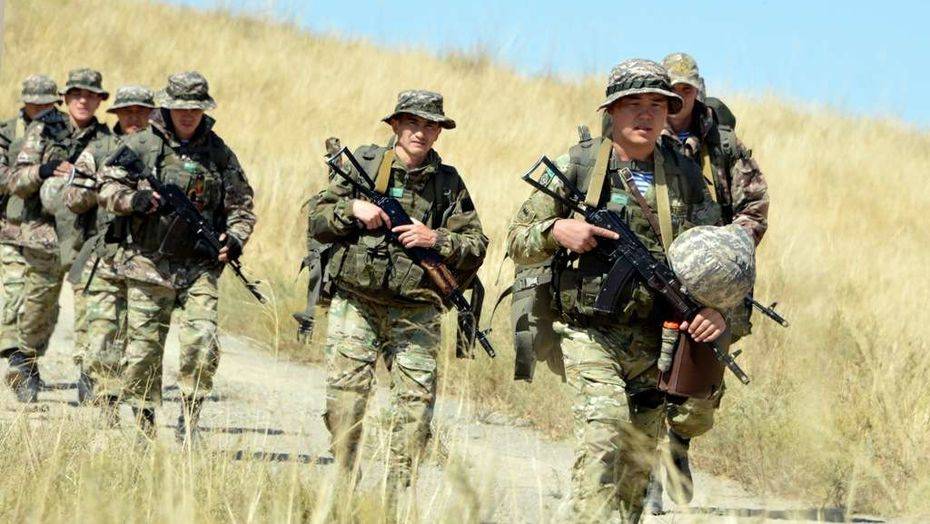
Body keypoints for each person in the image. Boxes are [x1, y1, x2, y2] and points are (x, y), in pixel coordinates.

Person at [506, 59, 724, 522]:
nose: (646, 114)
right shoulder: (579, 165)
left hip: (657, 340)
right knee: (603, 429)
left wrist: (717, 311)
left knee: (637, 463)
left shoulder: (685, 176)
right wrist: (556, 231)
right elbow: (516, 239)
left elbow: (717, 261)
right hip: (589, 332)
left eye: (657, 105)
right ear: (612, 110)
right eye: (633, 104)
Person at [307, 90, 488, 499]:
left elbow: (477, 245)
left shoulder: (448, 184)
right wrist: (351, 210)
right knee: (345, 401)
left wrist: (435, 238)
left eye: (430, 126)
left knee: (414, 411)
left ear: (439, 132)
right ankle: (344, 484)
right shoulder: (365, 165)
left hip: (417, 311)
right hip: (357, 301)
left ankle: (395, 497)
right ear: (395, 125)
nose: (420, 132)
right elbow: (316, 219)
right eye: (412, 123)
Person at [98, 72, 256, 441]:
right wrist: (132, 200)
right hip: (147, 263)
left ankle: (190, 417)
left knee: (203, 341)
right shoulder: (140, 144)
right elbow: (105, 187)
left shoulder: (218, 153)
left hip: (199, 267)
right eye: (181, 107)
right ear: (167, 106)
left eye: (195, 108)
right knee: (143, 350)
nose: (187, 114)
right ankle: (143, 419)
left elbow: (242, 206)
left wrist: (235, 238)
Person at [645, 52, 770, 509]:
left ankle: (678, 446)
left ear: (697, 92)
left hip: (712, 284)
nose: (678, 98)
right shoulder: (641, 134)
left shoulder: (723, 144)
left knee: (697, 381)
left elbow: (753, 207)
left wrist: (725, 256)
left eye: (686, 90)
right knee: (647, 370)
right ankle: (647, 471)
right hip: (655, 271)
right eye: (671, 89)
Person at [5, 68, 111, 403]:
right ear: (65, 98)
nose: (83, 101)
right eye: (77, 94)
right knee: (38, 307)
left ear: (100, 100)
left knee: (92, 310)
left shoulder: (106, 139)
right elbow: (16, 182)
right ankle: (25, 366)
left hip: (85, 238)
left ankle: (90, 377)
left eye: (91, 95)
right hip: (43, 234)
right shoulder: (43, 130)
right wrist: (44, 171)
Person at [65, 85, 156, 422]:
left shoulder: (161, 151)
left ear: (151, 114)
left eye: (141, 111)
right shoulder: (99, 149)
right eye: (127, 111)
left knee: (142, 335)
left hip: (149, 260)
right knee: (103, 332)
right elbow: (73, 199)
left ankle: (141, 404)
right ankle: (106, 404)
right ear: (116, 114)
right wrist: (106, 186)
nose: (134, 117)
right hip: (104, 255)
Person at [0, 75, 60, 401]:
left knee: (41, 304)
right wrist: (36, 174)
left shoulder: (64, 132)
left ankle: (28, 358)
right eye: (34, 103)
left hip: (47, 233)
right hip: (10, 229)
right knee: (13, 294)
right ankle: (18, 361)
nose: (39, 109)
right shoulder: (8, 131)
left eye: (46, 104)